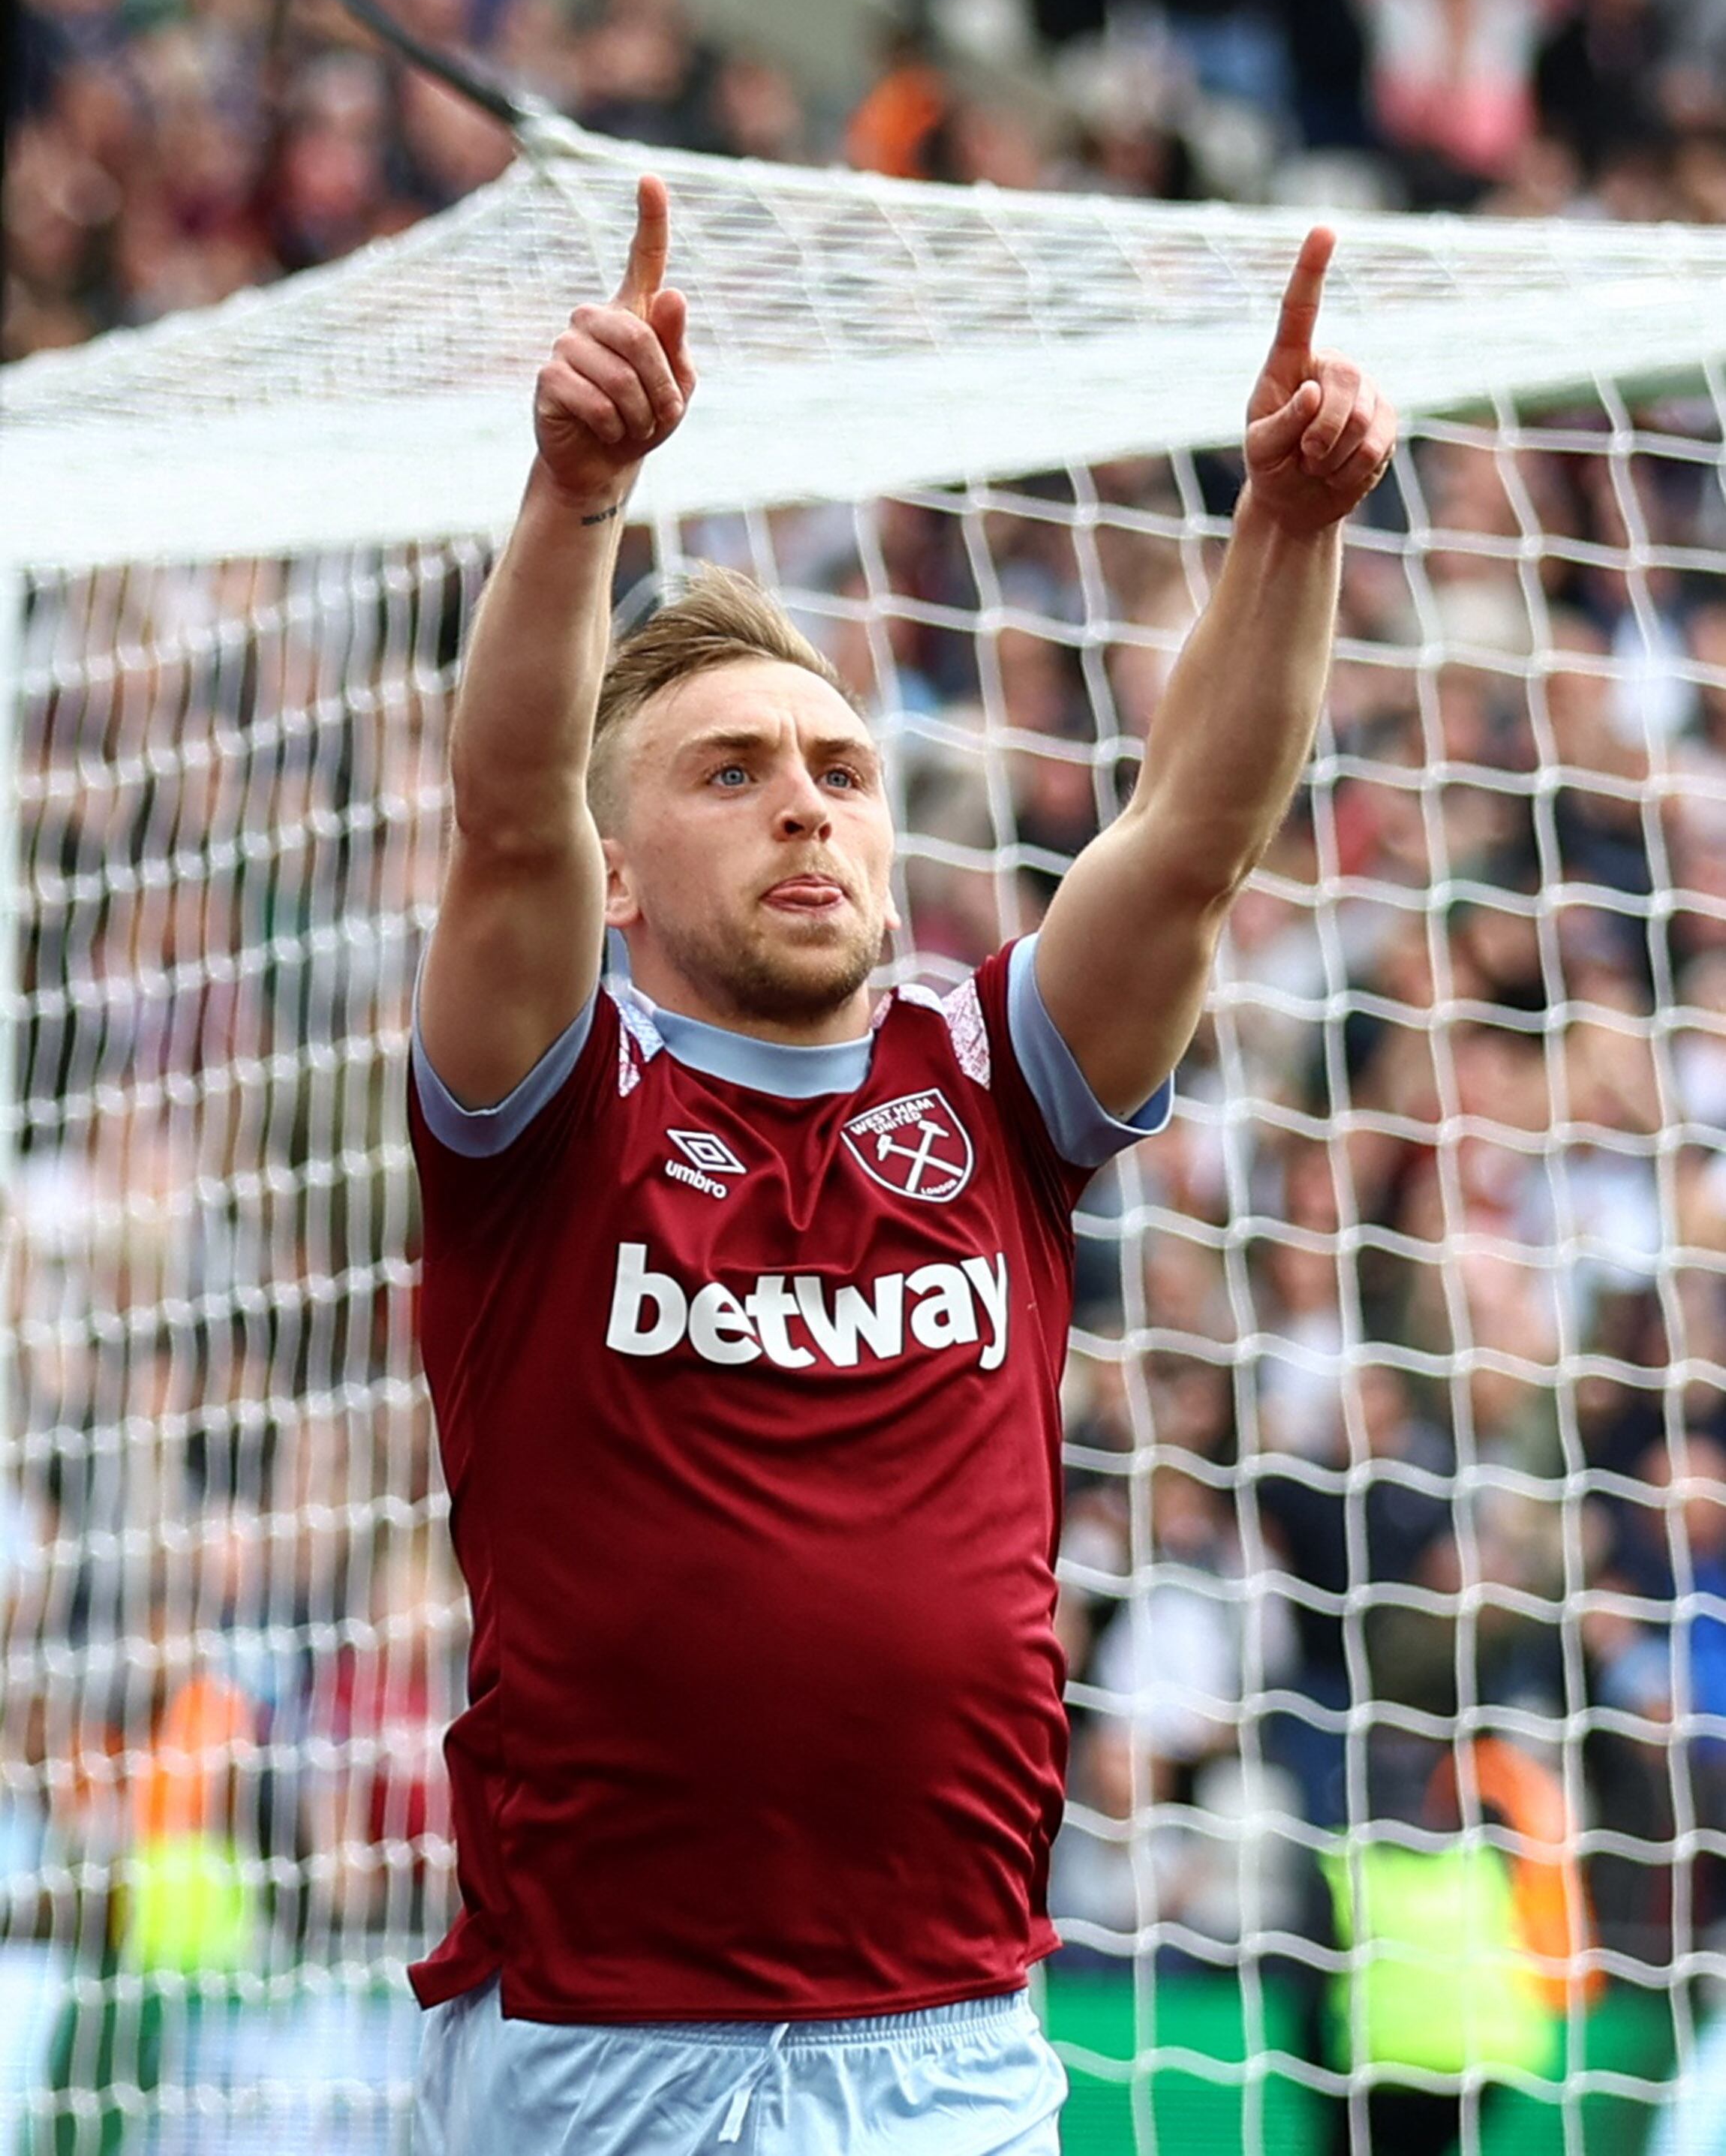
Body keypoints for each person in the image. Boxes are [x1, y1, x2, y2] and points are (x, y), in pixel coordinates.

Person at [406, 174, 1394, 2154]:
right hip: (606, 2051)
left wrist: (1287, 529)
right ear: (621, 877)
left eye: (840, 772)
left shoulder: (993, 1079)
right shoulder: (553, 1104)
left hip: (954, 2048)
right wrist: (580, 496)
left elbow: (1189, 843)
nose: (806, 806)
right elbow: (507, 824)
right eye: (732, 771)